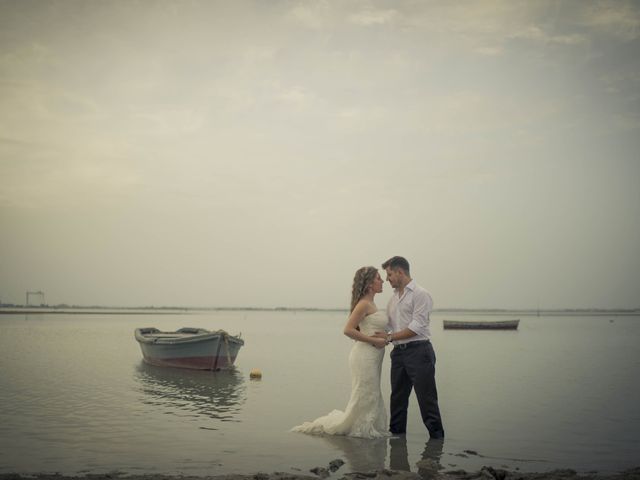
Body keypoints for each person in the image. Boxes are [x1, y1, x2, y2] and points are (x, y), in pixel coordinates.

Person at [291, 266, 390, 438]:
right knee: (366, 391)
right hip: (364, 356)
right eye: (378, 278)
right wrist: (374, 341)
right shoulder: (363, 304)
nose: (383, 281)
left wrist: (387, 338)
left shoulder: (372, 303)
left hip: (373, 356)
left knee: (371, 391)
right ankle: (361, 429)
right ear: (369, 284)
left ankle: (370, 425)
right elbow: (348, 330)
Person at [374, 256, 444, 439]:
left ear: (400, 272)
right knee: (397, 401)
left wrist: (389, 337)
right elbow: (388, 326)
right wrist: (365, 331)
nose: (387, 279)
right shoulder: (393, 299)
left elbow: (416, 327)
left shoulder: (421, 294)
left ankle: (437, 445)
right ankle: (397, 447)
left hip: (419, 352)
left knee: (426, 400)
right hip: (398, 355)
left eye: (389, 274)